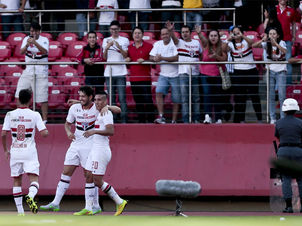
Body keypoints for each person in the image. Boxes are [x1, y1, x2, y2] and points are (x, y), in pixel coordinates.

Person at [40, 86, 121, 215]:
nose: (81, 98)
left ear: (90, 97)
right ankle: (55, 203)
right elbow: (67, 124)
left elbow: (118, 110)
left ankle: (94, 205)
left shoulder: (97, 107)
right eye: (80, 96)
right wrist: (68, 132)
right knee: (66, 172)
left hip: (90, 144)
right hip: (75, 144)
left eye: (83, 96)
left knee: (89, 175)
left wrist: (108, 107)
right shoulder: (74, 108)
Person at [1, 89, 49, 216]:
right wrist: (46, 131)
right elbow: (44, 133)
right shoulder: (35, 114)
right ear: (30, 99)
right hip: (29, 151)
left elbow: (4, 134)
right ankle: (30, 195)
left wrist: (6, 150)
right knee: (34, 179)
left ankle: (20, 212)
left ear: (18, 99)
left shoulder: (10, 114)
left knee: (16, 180)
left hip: (15, 151)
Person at [83, 91, 127, 216]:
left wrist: (94, 132)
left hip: (101, 150)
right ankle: (89, 207)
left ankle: (119, 201)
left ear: (105, 101)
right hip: (94, 149)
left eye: (99, 100)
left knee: (97, 180)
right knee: (88, 175)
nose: (97, 102)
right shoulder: (99, 110)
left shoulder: (106, 113)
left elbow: (110, 131)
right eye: (95, 100)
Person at [166, 21, 202, 123]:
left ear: (190, 33)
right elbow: (173, 38)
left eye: (186, 32)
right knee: (185, 99)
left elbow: (201, 55)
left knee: (196, 98)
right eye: (182, 32)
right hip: (183, 74)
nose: (184, 34)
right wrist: (170, 30)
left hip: (195, 74)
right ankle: (186, 120)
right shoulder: (179, 42)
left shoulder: (196, 43)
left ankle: (196, 119)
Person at [15, 22, 49, 124]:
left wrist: (35, 43)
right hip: (28, 70)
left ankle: (44, 120)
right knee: (19, 94)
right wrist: (27, 44)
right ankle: (21, 117)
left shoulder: (44, 40)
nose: (32, 33)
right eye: (31, 31)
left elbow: (44, 52)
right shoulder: (26, 39)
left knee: (42, 97)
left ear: (39, 31)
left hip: (41, 71)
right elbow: (21, 52)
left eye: (34, 31)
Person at [227, 26, 262, 123]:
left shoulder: (246, 41)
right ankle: (241, 119)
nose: (236, 34)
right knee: (240, 97)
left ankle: (259, 119)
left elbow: (252, 44)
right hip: (238, 72)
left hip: (251, 70)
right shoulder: (230, 44)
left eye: (238, 32)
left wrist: (243, 36)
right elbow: (224, 50)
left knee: (255, 96)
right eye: (234, 33)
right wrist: (227, 39)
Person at [253, 28, 287, 124]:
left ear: (278, 35)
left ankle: (283, 117)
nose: (272, 35)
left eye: (274, 34)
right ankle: (272, 117)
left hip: (281, 70)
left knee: (281, 95)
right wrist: (262, 40)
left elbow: (285, 52)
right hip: (270, 70)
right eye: (270, 34)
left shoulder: (282, 42)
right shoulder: (266, 43)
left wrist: (275, 44)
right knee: (271, 95)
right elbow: (253, 45)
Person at [275, 98, 302, 213]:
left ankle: (289, 206)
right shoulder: (300, 123)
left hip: (283, 151)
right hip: (298, 150)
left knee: (286, 179)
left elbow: (277, 135)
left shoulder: (279, 123)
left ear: (284, 110)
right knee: (300, 179)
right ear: (296, 110)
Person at [196, 25, 228, 124]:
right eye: (211, 36)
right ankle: (207, 116)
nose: (213, 37)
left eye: (215, 36)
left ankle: (218, 118)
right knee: (207, 96)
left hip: (218, 74)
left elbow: (224, 59)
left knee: (217, 96)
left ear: (218, 37)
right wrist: (199, 33)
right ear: (208, 37)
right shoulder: (205, 45)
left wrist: (216, 56)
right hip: (205, 74)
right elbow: (202, 38)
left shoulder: (222, 45)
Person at [150, 27, 179, 124]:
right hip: (163, 75)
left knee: (175, 98)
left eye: (166, 33)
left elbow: (176, 58)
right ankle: (161, 116)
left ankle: (174, 120)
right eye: (163, 34)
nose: (165, 36)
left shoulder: (175, 43)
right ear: (160, 36)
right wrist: (155, 58)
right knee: (158, 92)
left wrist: (162, 58)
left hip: (176, 75)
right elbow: (150, 56)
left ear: (169, 34)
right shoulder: (158, 44)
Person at [125, 27, 154, 123]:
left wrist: (145, 61)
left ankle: (151, 120)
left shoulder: (149, 46)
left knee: (148, 100)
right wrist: (127, 60)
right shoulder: (129, 48)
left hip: (145, 78)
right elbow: (127, 63)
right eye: (135, 33)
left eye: (139, 33)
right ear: (132, 35)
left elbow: (153, 61)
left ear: (142, 35)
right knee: (138, 101)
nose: (137, 35)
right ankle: (141, 121)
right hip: (133, 79)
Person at [102, 20, 129, 123]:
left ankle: (124, 120)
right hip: (109, 73)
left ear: (119, 29)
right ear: (110, 30)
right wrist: (107, 48)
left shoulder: (124, 40)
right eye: (112, 29)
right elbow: (104, 58)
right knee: (111, 98)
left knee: (122, 98)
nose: (114, 31)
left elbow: (125, 55)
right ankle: (112, 120)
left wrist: (119, 47)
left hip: (121, 72)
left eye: (116, 29)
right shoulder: (105, 40)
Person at [276, 0, 300, 84]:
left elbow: (293, 24)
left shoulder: (291, 10)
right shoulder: (274, 9)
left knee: (288, 61)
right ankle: (277, 86)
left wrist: (293, 36)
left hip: (287, 39)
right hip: (276, 40)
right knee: (277, 61)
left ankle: (288, 84)